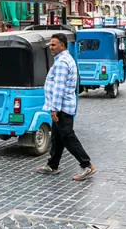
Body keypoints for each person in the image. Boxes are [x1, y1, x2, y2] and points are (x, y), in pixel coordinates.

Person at [35, 33, 96, 181]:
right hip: (62, 106)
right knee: (57, 137)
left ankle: (87, 165)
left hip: (62, 107)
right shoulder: (64, 59)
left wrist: (54, 109)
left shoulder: (62, 62)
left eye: (54, 44)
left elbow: (59, 87)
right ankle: (52, 165)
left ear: (62, 46)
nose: (51, 47)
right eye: (51, 44)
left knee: (68, 137)